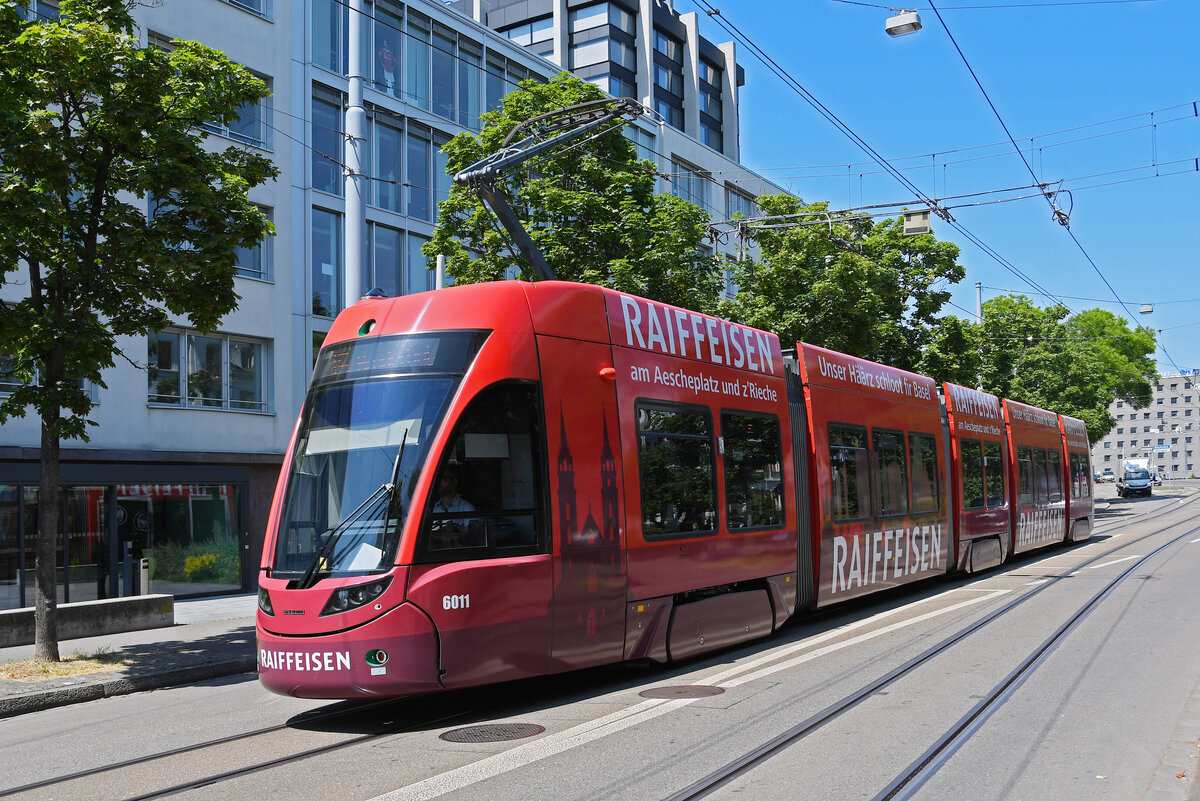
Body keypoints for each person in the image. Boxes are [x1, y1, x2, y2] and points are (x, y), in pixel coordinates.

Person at [431, 465, 476, 547]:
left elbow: (471, 540)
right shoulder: (432, 508)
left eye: (443, 479)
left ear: (454, 482)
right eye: (437, 479)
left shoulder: (468, 509)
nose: (439, 483)